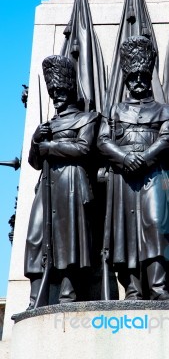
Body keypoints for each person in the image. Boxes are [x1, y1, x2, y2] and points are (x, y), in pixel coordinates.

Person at [98, 36, 169, 300]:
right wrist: (123, 157)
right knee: (126, 232)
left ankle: (158, 288)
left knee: (156, 226)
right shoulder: (115, 110)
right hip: (123, 178)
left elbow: (168, 140)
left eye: (143, 76)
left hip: (153, 175)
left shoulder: (165, 111)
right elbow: (103, 140)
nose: (138, 81)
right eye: (133, 77)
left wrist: (143, 158)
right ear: (126, 79)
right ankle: (132, 289)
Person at [24, 55, 99, 308]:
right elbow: (34, 162)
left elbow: (84, 148)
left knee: (68, 239)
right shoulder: (47, 125)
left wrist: (50, 146)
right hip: (46, 185)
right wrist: (36, 140)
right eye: (53, 91)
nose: (56, 95)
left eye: (60, 90)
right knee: (36, 238)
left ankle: (68, 294)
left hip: (71, 183)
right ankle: (36, 298)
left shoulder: (87, 119)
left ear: (70, 90)